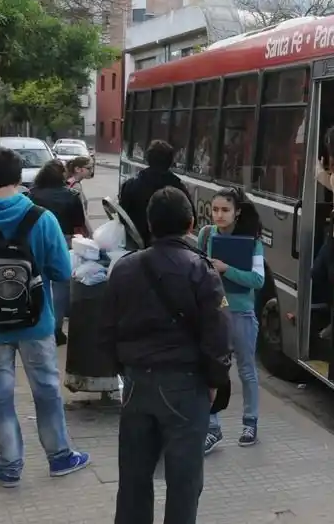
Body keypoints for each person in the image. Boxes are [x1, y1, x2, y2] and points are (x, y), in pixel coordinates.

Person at [0, 147, 90, 487]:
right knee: (46, 389)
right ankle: (59, 456)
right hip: (36, 322)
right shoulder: (42, 219)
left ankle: (9, 466)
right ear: (19, 177)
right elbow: (61, 271)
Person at [98, 186, 232, 524]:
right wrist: (215, 382)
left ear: (149, 224)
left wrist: (125, 370)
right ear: (190, 224)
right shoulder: (201, 270)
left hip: (137, 383)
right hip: (186, 386)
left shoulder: (124, 269)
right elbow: (217, 336)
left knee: (133, 478)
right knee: (184, 481)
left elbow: (107, 329)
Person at [196, 187, 265, 452]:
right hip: (213, 312)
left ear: (237, 212)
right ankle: (212, 428)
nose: (219, 215)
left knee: (246, 370)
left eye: (225, 210)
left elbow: (257, 280)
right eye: (215, 210)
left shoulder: (252, 242)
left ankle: (250, 423)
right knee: (211, 369)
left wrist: (226, 269)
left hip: (241, 313)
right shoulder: (206, 235)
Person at [27, 160, 88, 346]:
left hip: (37, 241)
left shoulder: (32, 195)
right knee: (61, 286)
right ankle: (56, 329)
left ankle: (37, 321)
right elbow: (79, 224)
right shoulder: (71, 195)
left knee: (37, 282)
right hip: (64, 241)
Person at [119, 140, 194, 248]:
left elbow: (122, 217)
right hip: (171, 249)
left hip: (135, 247)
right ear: (170, 161)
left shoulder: (131, 185)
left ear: (148, 159)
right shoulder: (179, 187)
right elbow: (192, 218)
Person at [313, 123, 334, 340]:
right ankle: (333, 319)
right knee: (318, 273)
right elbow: (326, 181)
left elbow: (327, 181)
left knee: (333, 280)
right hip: (332, 234)